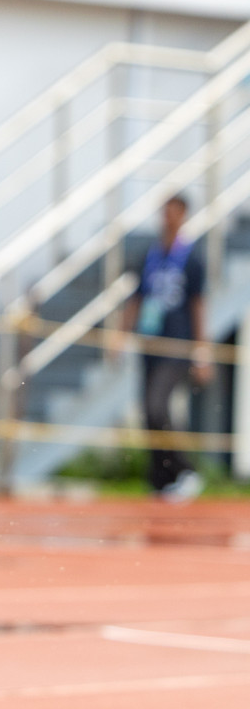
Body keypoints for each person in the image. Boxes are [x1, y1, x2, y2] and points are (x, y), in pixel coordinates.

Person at [119, 195, 212, 502]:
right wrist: (121, 334)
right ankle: (160, 479)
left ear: (183, 216)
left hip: (177, 344)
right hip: (149, 342)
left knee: (158, 405)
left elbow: (198, 305)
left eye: (173, 213)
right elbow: (136, 298)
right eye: (164, 212)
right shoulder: (150, 254)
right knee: (148, 412)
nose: (168, 218)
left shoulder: (192, 258)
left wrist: (202, 351)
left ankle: (185, 471)